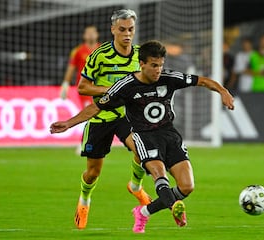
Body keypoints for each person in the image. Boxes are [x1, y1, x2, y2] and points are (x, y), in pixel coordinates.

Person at [50, 40, 235, 233]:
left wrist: (223, 91)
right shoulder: (126, 85)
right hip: (144, 136)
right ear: (142, 64)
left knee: (187, 187)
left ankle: (144, 212)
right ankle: (173, 206)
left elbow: (202, 81)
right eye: (154, 65)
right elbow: (97, 106)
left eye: (161, 65)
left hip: (170, 134)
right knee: (159, 175)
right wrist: (69, 123)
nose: (158, 70)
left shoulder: (169, 78)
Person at [68, 9, 151, 229]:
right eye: (122, 29)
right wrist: (113, 90)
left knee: (142, 150)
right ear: (113, 29)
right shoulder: (99, 55)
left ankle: (135, 186)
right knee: (93, 172)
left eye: (130, 29)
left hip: (128, 116)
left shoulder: (140, 54)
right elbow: (83, 87)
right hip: (101, 115)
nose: (127, 34)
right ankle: (84, 200)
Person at [60, 25, 100, 108]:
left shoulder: (104, 50)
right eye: (88, 33)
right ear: (84, 36)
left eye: (93, 32)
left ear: (97, 34)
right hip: (85, 87)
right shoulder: (78, 51)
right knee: (89, 111)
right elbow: (71, 68)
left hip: (101, 86)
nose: (91, 35)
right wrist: (65, 85)